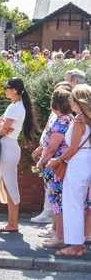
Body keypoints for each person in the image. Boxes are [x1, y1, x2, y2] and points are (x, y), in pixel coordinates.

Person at [48, 85, 91, 256]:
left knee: (72, 205)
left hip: (77, 163)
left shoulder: (80, 119)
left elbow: (73, 148)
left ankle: (76, 246)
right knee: (77, 204)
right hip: (85, 162)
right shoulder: (87, 118)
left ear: (78, 101)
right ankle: (77, 244)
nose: (69, 101)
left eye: (72, 98)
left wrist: (57, 161)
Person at [0, 77, 37, 232]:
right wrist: (0, 126)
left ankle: (12, 224)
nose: (5, 89)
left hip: (8, 147)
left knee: (10, 186)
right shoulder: (15, 106)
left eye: (7, 87)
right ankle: (11, 223)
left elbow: (1, 129)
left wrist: (0, 127)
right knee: (9, 185)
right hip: (9, 146)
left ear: (14, 90)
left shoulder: (14, 108)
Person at [31, 81, 73, 226]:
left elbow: (52, 147)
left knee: (57, 201)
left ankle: (59, 235)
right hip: (55, 165)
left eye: (52, 99)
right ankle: (56, 232)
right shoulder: (63, 119)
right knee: (56, 200)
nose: (50, 101)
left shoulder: (63, 121)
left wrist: (42, 161)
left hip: (56, 166)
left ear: (58, 103)